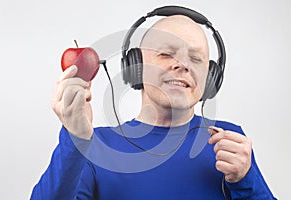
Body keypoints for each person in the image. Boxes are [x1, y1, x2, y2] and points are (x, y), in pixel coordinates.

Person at [31, 6, 276, 200]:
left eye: (196, 58)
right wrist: (76, 139)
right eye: (166, 54)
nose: (183, 64)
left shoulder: (230, 141)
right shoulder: (95, 147)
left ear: (210, 77)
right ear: (135, 67)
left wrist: (247, 179)